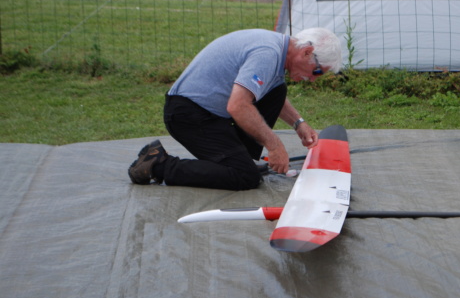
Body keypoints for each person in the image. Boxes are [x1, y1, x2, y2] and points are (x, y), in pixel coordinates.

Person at [128, 28, 342, 190]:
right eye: (317, 72)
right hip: (188, 116)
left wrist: (298, 123)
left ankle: (237, 159)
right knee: (244, 177)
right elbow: (238, 106)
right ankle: (158, 164)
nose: (314, 80)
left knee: (277, 90)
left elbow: (264, 93)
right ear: (306, 52)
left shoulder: (276, 47)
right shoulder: (268, 54)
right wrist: (275, 146)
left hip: (205, 112)